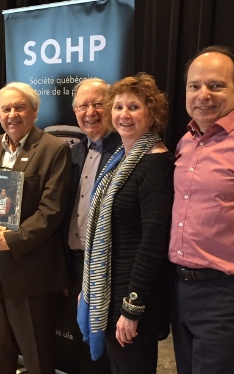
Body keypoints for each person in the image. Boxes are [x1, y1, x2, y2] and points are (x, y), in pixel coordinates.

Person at [0, 82, 72, 374]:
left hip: (31, 273)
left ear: (34, 111)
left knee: (38, 359)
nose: (12, 114)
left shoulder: (53, 149)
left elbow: (52, 210)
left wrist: (12, 239)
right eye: (6, 109)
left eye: (19, 107)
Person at [77, 73, 174, 373]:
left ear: (152, 114)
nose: (124, 115)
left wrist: (132, 308)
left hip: (132, 304)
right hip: (109, 294)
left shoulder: (156, 164)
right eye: (118, 107)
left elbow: (153, 243)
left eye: (134, 107)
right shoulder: (119, 160)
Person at [169, 45, 234, 374]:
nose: (203, 94)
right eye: (194, 85)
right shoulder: (187, 140)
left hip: (227, 295)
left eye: (216, 85)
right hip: (182, 289)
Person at [63, 78, 120, 373]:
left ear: (111, 106)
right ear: (74, 111)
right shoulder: (74, 153)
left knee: (109, 349)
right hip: (74, 265)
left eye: (98, 103)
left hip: (107, 269)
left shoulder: (125, 154)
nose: (90, 112)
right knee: (82, 345)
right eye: (83, 106)